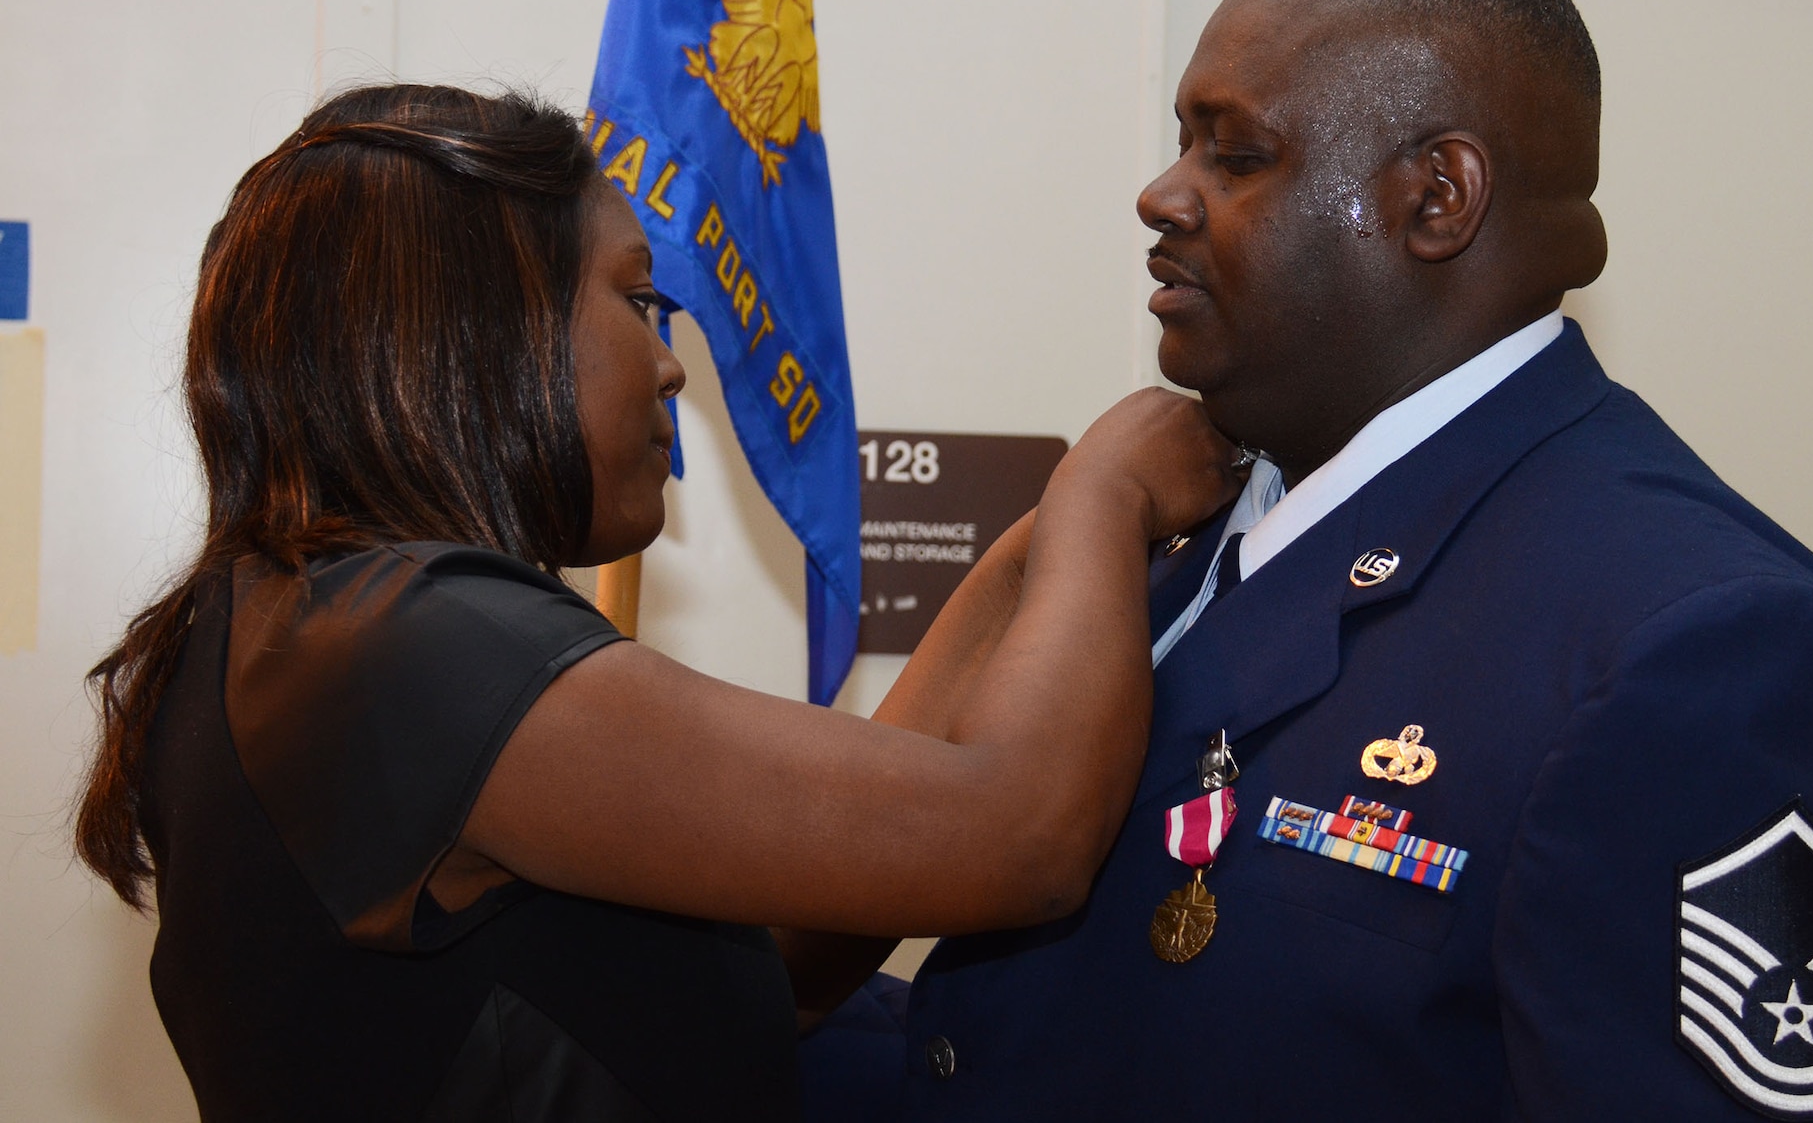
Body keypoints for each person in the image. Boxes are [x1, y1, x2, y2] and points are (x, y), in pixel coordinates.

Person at [820, 0, 1813, 1118]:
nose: (1160, 193)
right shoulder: (1179, 519)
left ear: (1438, 196)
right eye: (1182, 143)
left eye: (1235, 154)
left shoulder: (1710, 656)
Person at [71, 83, 1242, 1121]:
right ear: (485, 333)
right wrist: (1106, 494)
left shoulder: (296, 620)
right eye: (635, 302)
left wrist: (1026, 564)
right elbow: (1015, 837)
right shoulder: (413, 642)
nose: (671, 362)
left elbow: (781, 956)